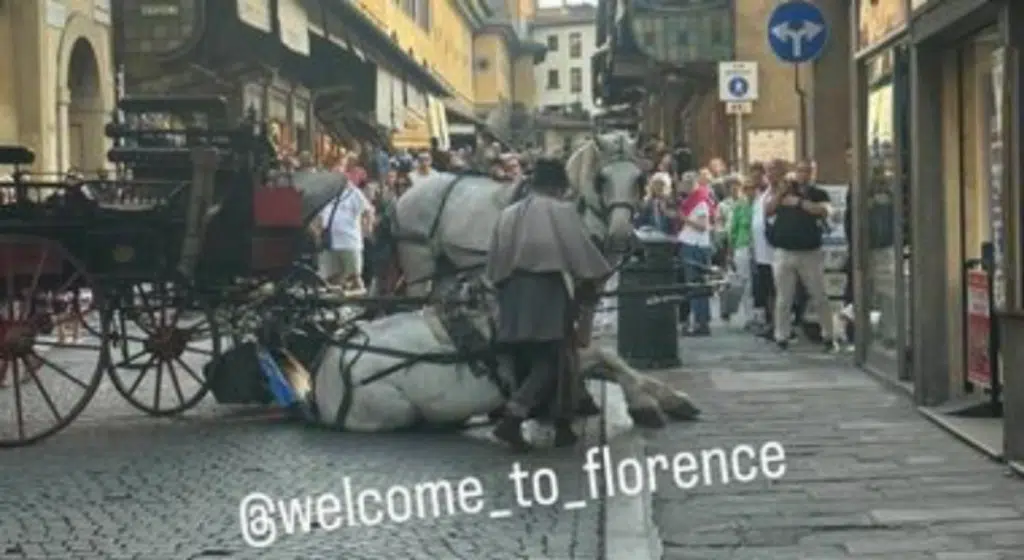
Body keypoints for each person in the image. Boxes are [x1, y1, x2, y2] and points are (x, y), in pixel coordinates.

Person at [485, 158, 612, 450]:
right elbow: (581, 254)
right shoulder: (560, 211)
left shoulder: (509, 213)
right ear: (558, 186)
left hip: (511, 292)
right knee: (553, 360)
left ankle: (559, 423)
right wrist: (595, 278)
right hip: (546, 292)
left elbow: (494, 263)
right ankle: (514, 417)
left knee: (528, 358)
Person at [765, 159, 835, 351]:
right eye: (801, 171)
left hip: (809, 253)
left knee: (819, 295)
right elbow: (768, 210)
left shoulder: (818, 193)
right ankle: (782, 336)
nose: (804, 174)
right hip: (784, 252)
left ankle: (828, 336)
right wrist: (780, 193)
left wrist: (800, 203)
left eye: (809, 171)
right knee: (783, 298)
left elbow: (824, 210)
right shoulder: (786, 190)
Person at [313, 176, 374, 292]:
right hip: (329, 242)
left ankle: (358, 304)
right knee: (330, 279)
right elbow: (319, 216)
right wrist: (317, 233)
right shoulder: (326, 194)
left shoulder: (354, 193)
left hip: (349, 241)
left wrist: (367, 229)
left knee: (354, 277)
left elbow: (368, 211)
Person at [677, 171, 715, 336]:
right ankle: (698, 320)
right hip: (689, 244)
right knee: (693, 286)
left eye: (686, 182)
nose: (683, 186)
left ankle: (702, 322)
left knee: (698, 285)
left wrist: (684, 219)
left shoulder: (700, 201)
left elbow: (702, 225)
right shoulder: (689, 202)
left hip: (696, 246)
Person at [730, 176, 757, 327]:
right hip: (743, 246)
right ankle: (749, 316)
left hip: (760, 248)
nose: (749, 191)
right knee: (746, 283)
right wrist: (731, 250)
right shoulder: (740, 206)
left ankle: (760, 314)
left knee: (759, 283)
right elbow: (733, 230)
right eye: (746, 188)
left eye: (752, 188)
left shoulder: (760, 204)